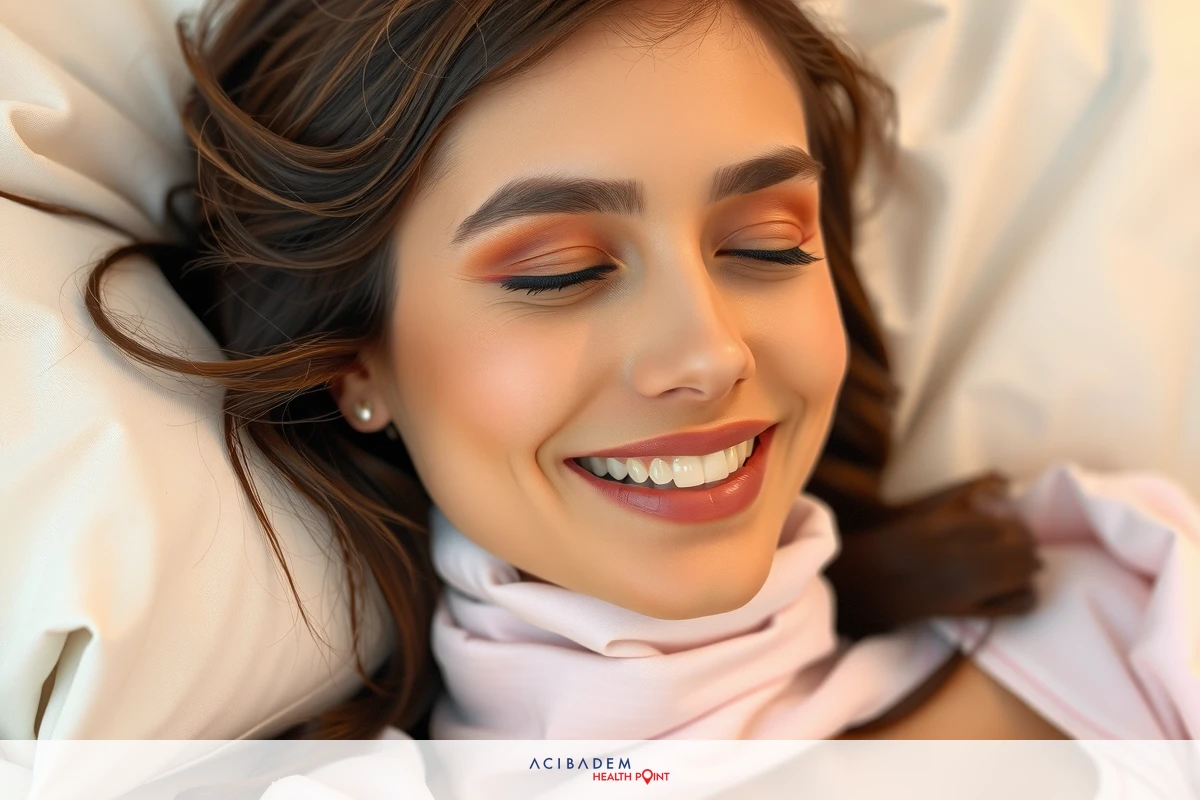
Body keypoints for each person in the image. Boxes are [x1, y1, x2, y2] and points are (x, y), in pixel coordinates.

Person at [2, 0, 1049, 739]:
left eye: (767, 243)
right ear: (356, 362)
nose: (709, 352)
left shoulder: (1131, 604)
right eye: (562, 271)